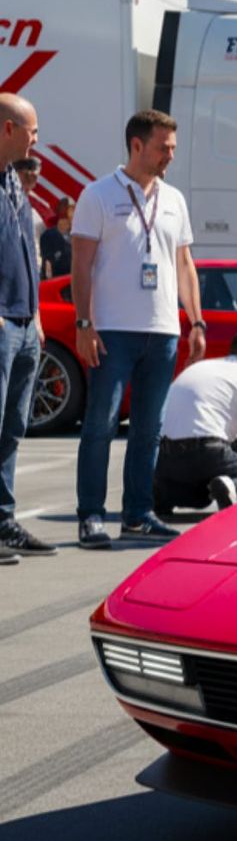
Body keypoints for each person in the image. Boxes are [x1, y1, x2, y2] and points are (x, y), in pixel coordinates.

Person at [71, 109, 203, 547]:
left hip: (162, 331)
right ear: (136, 145)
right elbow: (82, 265)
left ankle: (137, 514)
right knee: (101, 425)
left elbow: (185, 265)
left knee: (149, 429)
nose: (170, 155)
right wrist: (85, 323)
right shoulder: (98, 195)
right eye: (163, 147)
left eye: (173, 148)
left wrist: (195, 320)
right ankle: (90, 514)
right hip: (111, 331)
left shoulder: (175, 200)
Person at [0, 93, 49, 563]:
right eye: (32, 130)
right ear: (8, 130)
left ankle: (3, 521)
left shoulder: (14, 182)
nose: (37, 138)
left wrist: (33, 316)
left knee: (12, 429)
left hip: (22, 324)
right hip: (1, 324)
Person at [153, 327, 237, 512]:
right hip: (207, 453)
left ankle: (163, 491)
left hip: (164, 454)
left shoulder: (201, 368)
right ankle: (235, 488)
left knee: (203, 496)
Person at [40, 196, 72, 279]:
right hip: (58, 284)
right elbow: (47, 265)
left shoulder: (79, 235)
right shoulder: (48, 236)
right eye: (70, 208)